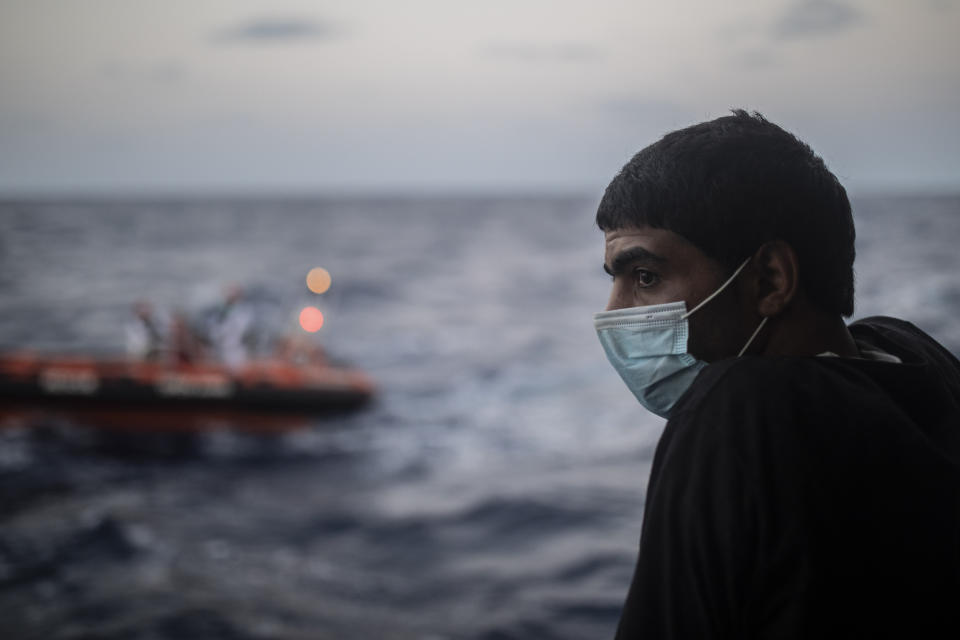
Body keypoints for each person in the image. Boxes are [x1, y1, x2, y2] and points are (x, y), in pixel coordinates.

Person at [592, 110, 960, 639]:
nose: (616, 310)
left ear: (770, 279)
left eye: (645, 276)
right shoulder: (918, 364)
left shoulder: (736, 411)